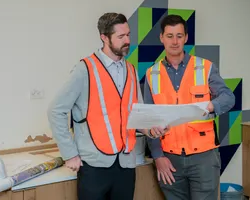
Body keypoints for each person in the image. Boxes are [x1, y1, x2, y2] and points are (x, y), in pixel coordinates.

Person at [47, 12, 167, 200]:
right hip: (94, 166)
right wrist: (69, 154)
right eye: (120, 37)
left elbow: (135, 114)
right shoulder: (84, 69)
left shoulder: (131, 70)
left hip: (126, 163)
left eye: (128, 34)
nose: (127, 40)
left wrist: (151, 130)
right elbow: (56, 110)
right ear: (104, 37)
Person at [144, 14, 235, 200]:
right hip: (170, 159)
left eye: (179, 35)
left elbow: (228, 97)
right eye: (169, 36)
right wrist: (157, 156)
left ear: (186, 37)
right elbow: (149, 118)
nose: (175, 41)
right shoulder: (152, 74)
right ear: (161, 38)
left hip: (204, 158)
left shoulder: (204, 67)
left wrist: (211, 105)